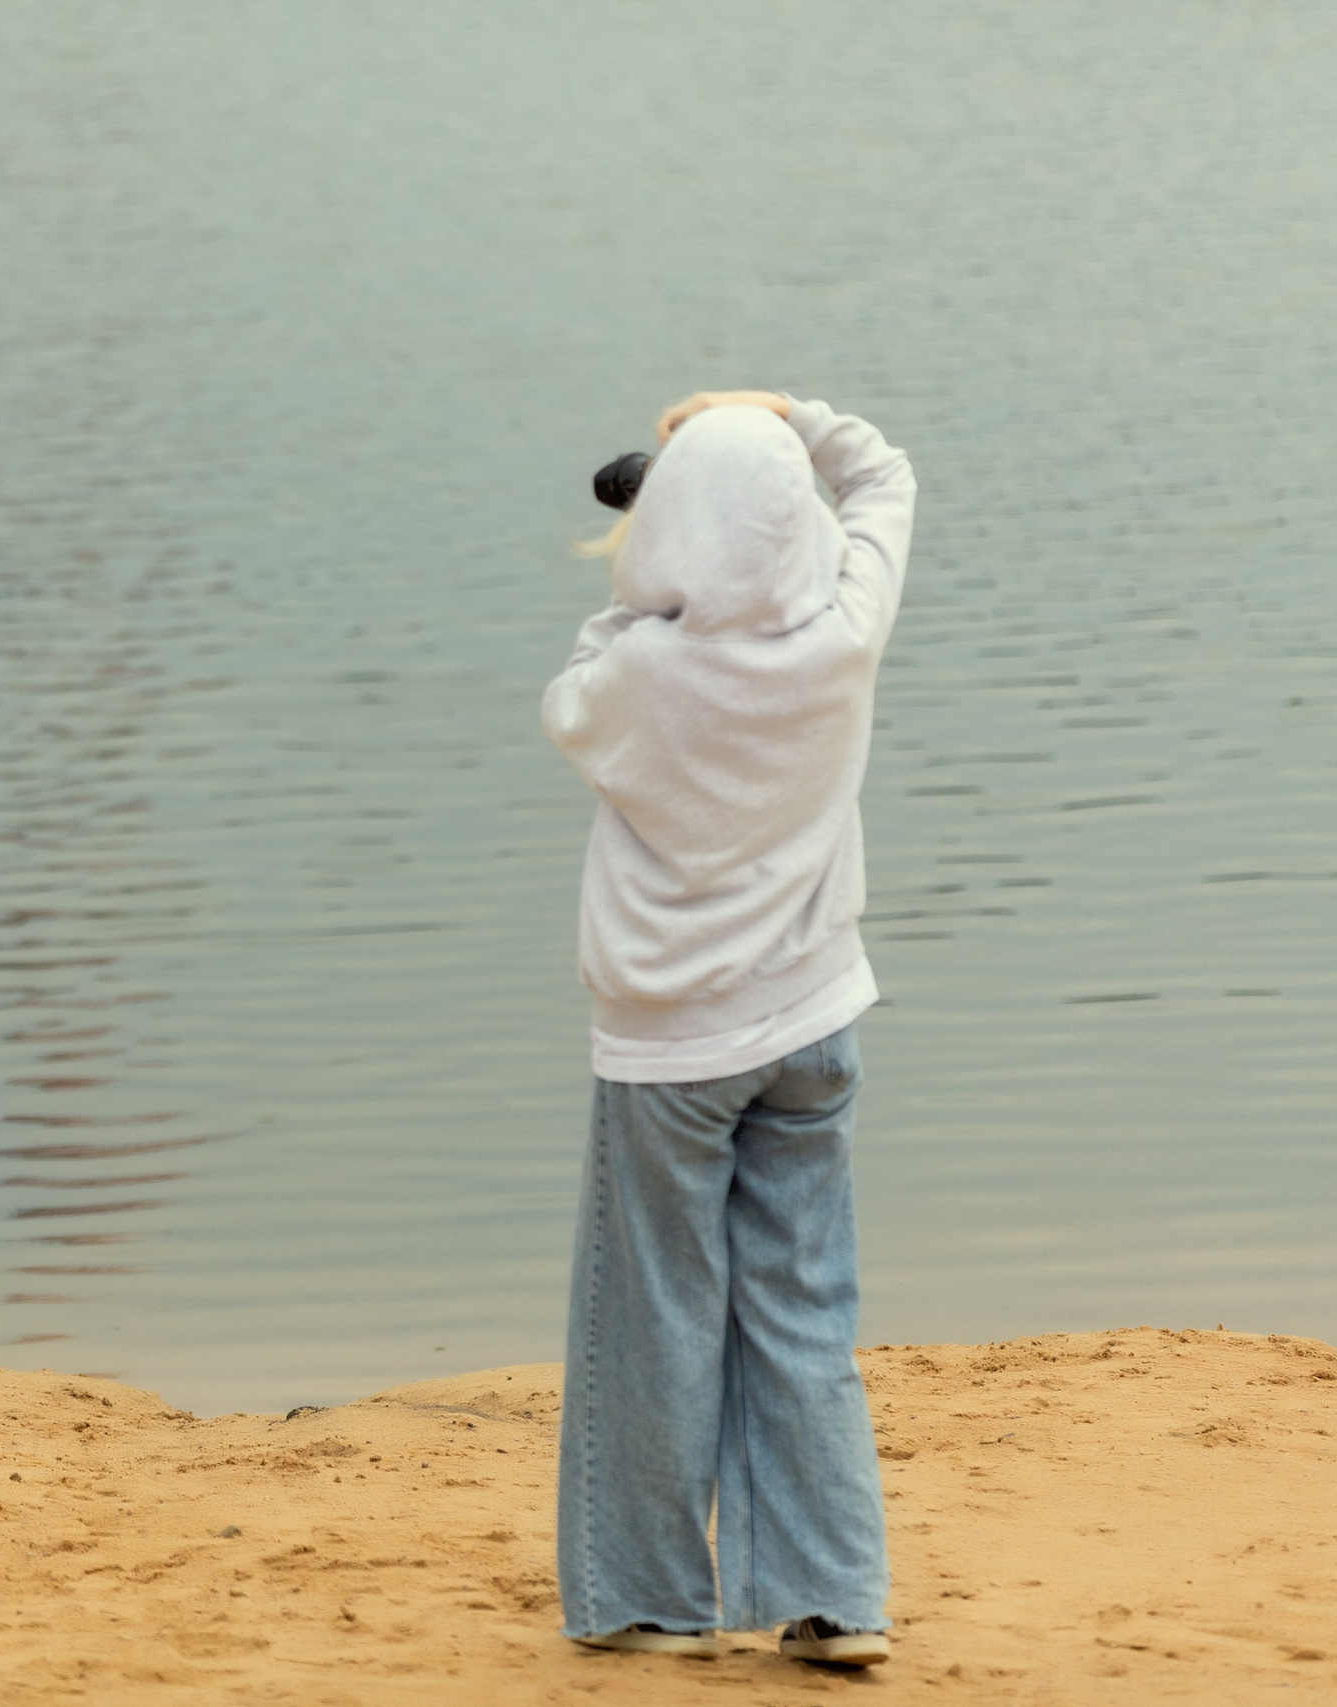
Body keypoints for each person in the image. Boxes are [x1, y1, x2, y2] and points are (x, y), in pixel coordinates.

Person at [540, 390, 915, 1667]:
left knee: (655, 1309)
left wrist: (641, 583)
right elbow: (883, 479)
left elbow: (570, 698)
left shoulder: (641, 671)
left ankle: (649, 1600)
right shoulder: (843, 637)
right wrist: (778, 413)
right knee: (803, 1304)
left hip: (670, 1050)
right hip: (814, 1023)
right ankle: (836, 1597)